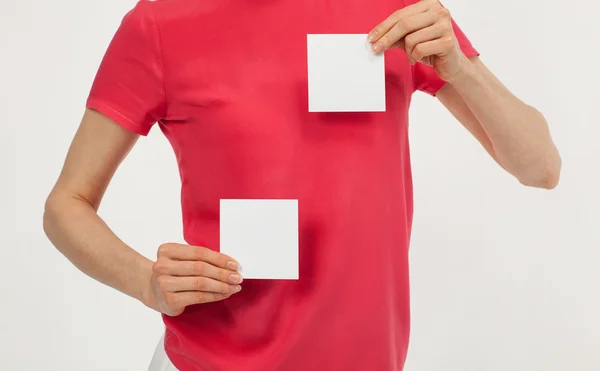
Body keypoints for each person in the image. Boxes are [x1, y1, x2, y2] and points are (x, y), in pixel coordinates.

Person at [43, 0, 561, 370]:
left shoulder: (398, 11)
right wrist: (145, 282)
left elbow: (541, 167)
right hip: (209, 363)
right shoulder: (158, 23)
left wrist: (463, 71)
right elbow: (66, 204)